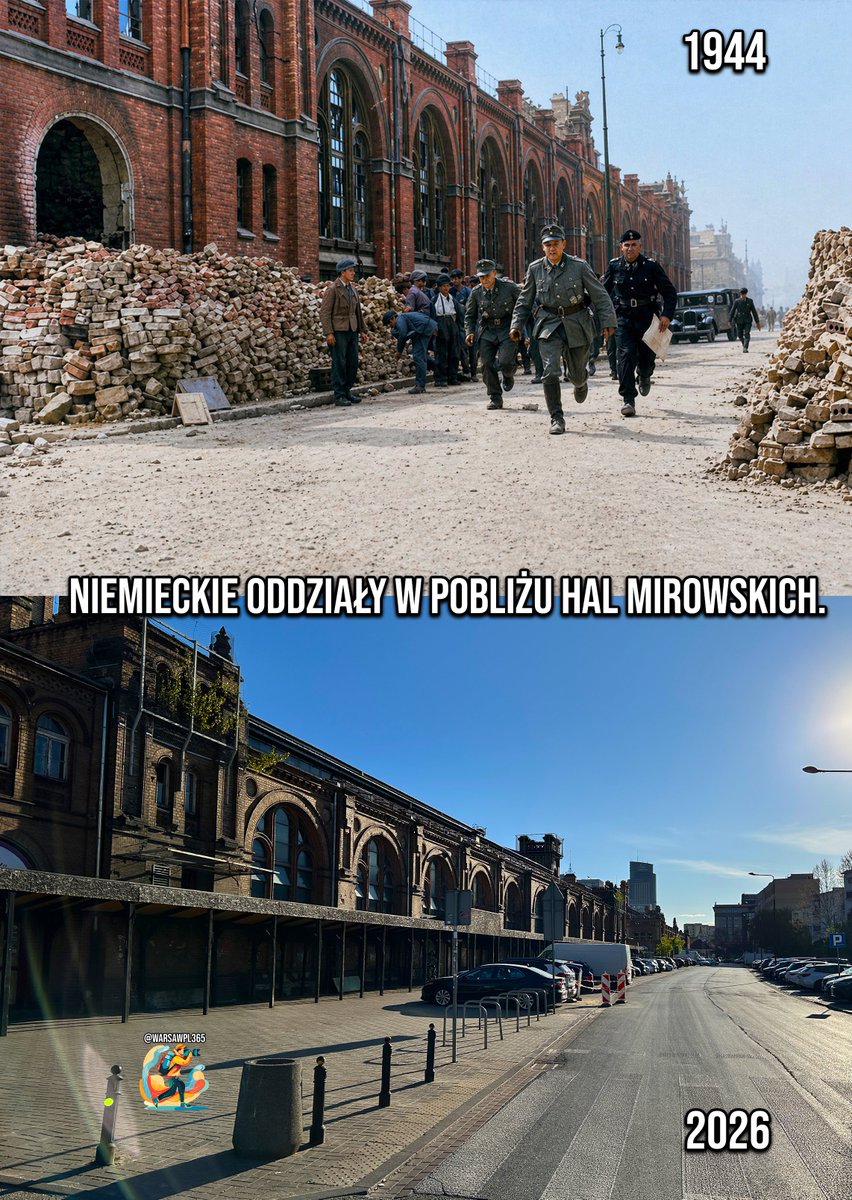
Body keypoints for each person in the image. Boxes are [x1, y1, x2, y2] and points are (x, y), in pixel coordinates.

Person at [510, 224, 615, 435]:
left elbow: (599, 295)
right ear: (543, 247)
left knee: (576, 374)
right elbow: (524, 300)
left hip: (576, 322)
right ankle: (556, 418)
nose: (552, 249)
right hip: (548, 324)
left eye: (555, 244)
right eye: (547, 245)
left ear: (563, 244)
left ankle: (580, 382)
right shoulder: (535, 268)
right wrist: (516, 325)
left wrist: (608, 321)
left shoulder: (579, 266)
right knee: (550, 371)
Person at [603, 229, 677, 418]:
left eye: (634, 245)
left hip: (647, 319)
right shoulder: (614, 267)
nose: (630, 248)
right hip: (623, 319)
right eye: (626, 245)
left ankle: (645, 374)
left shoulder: (651, 266)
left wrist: (667, 315)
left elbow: (669, 292)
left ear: (640, 246)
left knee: (646, 358)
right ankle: (628, 399)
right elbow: (603, 292)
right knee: (626, 356)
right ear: (621, 247)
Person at [464, 259, 521, 411]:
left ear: (495, 273)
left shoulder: (509, 287)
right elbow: (469, 315)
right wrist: (469, 332)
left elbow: (522, 307)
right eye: (481, 277)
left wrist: (519, 326)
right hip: (487, 330)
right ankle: (495, 397)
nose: (485, 280)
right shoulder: (476, 292)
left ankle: (508, 374)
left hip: (506, 329)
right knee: (487, 364)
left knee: (504, 362)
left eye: (488, 276)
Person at [319, 256, 368, 407]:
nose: (353, 273)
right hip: (338, 331)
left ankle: (347, 391)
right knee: (339, 362)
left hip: (352, 330)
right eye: (350, 271)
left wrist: (363, 330)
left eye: (353, 270)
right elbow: (325, 312)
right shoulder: (332, 290)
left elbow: (357, 312)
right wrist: (329, 333)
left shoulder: (353, 289)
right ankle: (339, 394)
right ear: (342, 272)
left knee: (352, 362)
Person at [382, 309, 437, 394]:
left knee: (418, 356)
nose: (391, 326)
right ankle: (439, 370)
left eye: (390, 324)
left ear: (392, 319)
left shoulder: (400, 319)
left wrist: (399, 351)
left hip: (424, 329)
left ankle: (420, 386)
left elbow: (403, 334)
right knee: (420, 355)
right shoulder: (404, 318)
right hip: (424, 328)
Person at [432, 274, 464, 386]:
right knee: (441, 353)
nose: (446, 288)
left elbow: (459, 314)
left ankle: (452, 377)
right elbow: (432, 315)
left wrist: (460, 328)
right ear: (439, 288)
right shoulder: (435, 299)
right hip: (441, 324)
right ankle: (440, 378)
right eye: (443, 286)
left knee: (454, 352)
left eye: (447, 286)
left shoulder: (452, 299)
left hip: (452, 323)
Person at [730, 287, 761, 352]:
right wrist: (730, 320)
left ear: (746, 294)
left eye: (744, 294)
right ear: (740, 294)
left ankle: (745, 348)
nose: (743, 295)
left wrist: (757, 322)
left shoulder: (750, 301)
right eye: (742, 294)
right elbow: (732, 311)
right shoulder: (737, 301)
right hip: (739, 320)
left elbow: (754, 312)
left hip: (748, 320)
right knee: (739, 335)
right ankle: (744, 344)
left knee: (747, 333)